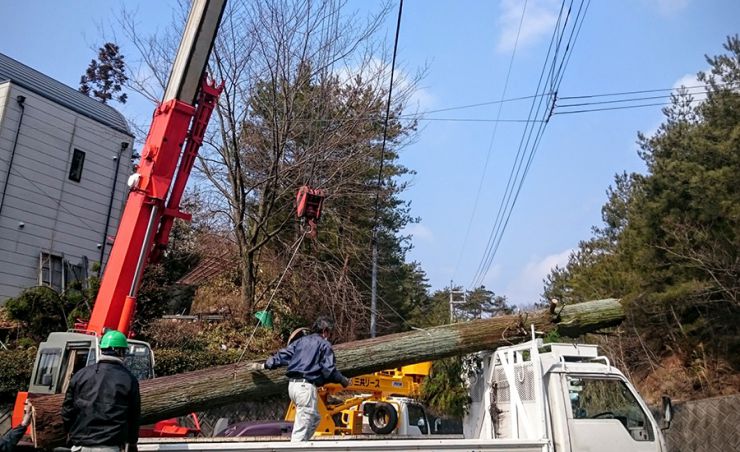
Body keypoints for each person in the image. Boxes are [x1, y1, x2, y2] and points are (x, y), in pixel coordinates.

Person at [256, 316, 350, 441]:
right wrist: (343, 380)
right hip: (305, 387)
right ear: (325, 331)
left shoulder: (301, 341)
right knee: (302, 426)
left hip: (293, 387)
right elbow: (329, 370)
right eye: (329, 332)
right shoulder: (324, 344)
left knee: (315, 417)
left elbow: (283, 355)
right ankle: (297, 446)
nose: (329, 335)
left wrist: (266, 364)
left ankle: (303, 443)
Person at [62, 330, 141, 452]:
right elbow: (134, 416)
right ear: (121, 351)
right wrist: (132, 443)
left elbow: (67, 410)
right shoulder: (129, 380)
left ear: (102, 349)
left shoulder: (80, 375)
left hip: (80, 446)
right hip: (110, 446)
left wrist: (70, 432)